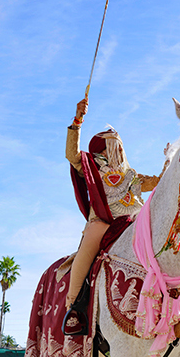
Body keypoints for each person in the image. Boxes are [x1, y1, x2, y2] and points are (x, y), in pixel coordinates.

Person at [65, 97, 165, 314]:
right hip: (103, 224)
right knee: (92, 235)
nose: (121, 152)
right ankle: (73, 304)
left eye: (121, 147)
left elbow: (158, 182)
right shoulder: (92, 167)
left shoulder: (131, 176)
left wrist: (169, 165)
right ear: (103, 151)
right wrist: (78, 120)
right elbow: (71, 155)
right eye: (115, 147)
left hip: (131, 224)